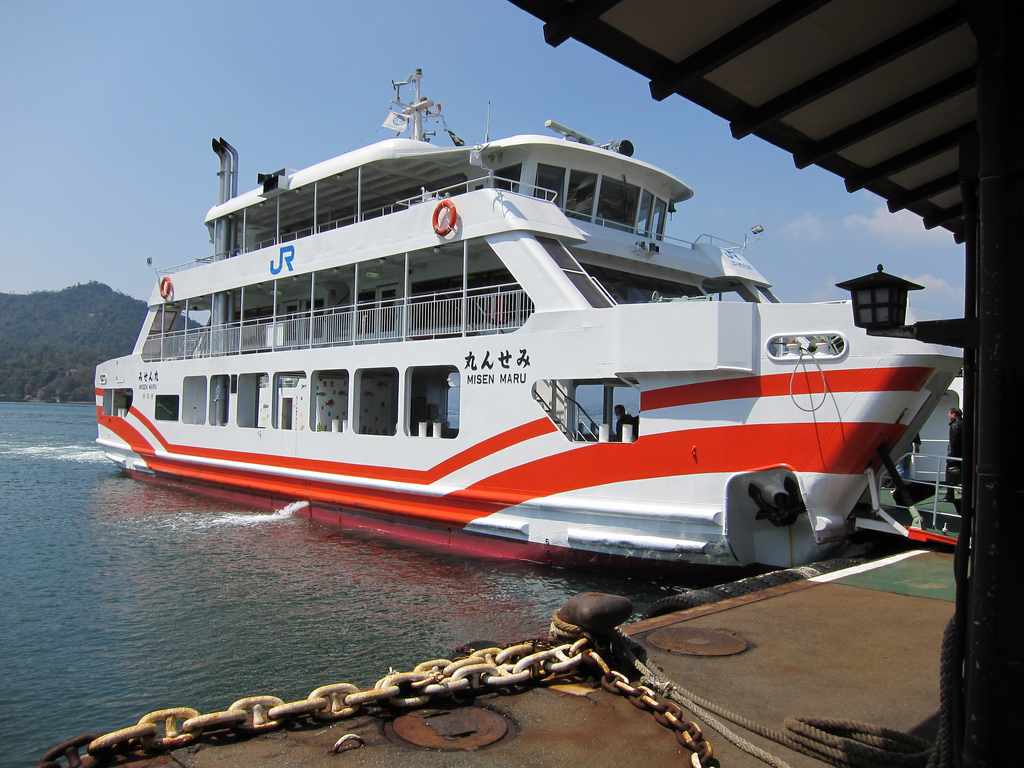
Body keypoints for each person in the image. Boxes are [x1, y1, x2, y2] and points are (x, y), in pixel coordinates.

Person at [944, 407, 963, 501]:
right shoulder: (964, 423)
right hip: (963, 454)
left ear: (953, 414)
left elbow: (954, 441)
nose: (949, 415)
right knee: (964, 474)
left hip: (954, 455)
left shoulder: (954, 425)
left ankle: (949, 495)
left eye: (949, 413)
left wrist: (951, 457)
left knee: (949, 474)